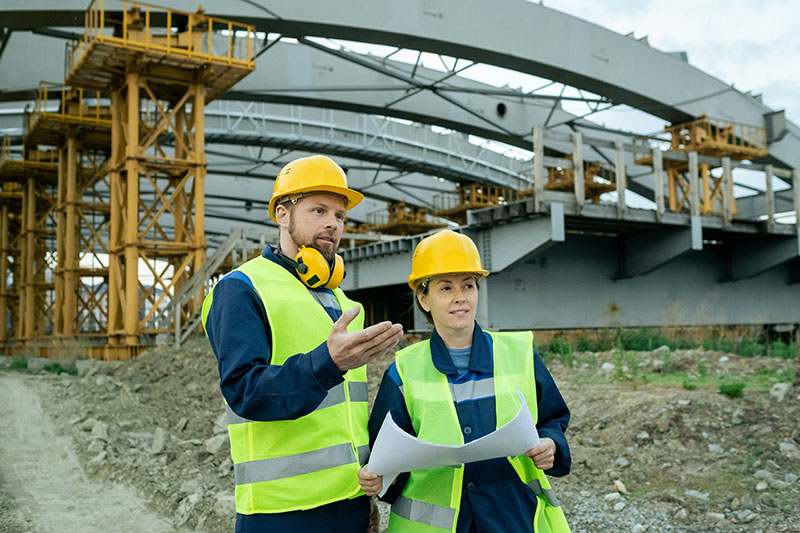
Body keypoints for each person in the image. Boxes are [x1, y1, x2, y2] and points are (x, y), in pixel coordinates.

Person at [202, 154, 404, 532]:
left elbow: (347, 415)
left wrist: (366, 498)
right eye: (319, 210)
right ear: (282, 214)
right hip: (281, 512)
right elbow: (245, 392)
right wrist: (327, 362)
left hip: (350, 503)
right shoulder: (242, 289)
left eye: (340, 216)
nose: (332, 222)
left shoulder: (341, 300)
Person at [358, 229, 571, 532]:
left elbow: (553, 418)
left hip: (512, 518)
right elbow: (384, 452)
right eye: (445, 288)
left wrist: (550, 443)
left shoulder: (519, 354)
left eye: (468, 285)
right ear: (424, 299)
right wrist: (377, 476)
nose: (460, 297)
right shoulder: (403, 371)